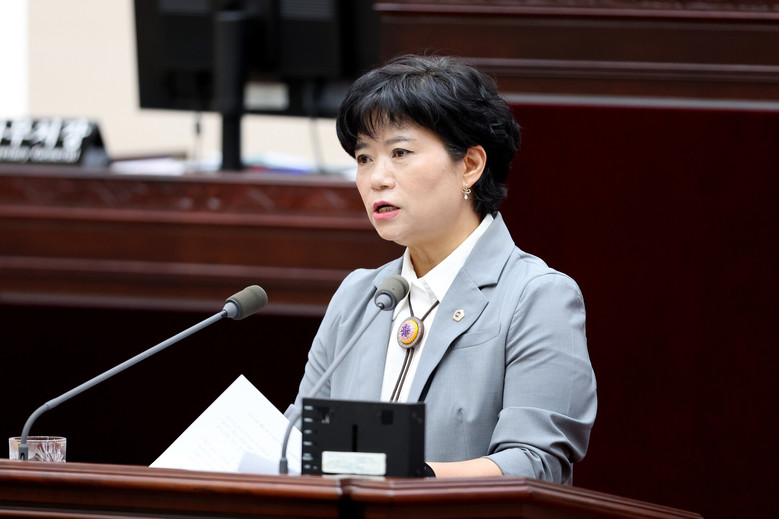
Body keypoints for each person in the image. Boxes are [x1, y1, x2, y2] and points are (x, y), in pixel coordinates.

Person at [286, 54, 597, 483]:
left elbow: (535, 465)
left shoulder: (535, 296)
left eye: (400, 152)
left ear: (470, 165)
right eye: (364, 158)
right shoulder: (357, 297)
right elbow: (297, 444)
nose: (376, 178)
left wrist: (410, 480)